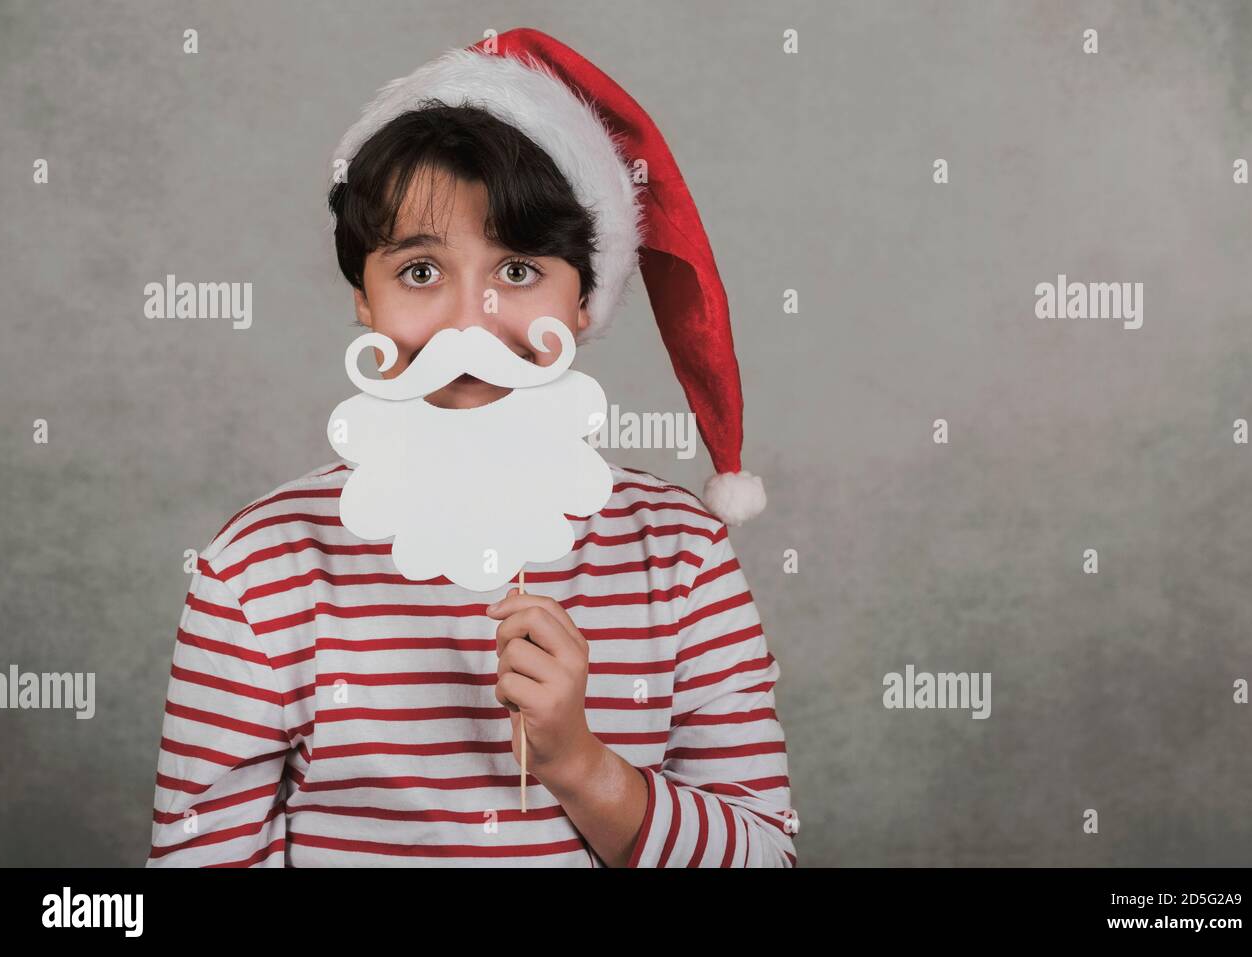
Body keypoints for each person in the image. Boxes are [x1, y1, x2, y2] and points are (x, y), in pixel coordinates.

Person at [145, 27, 795, 867]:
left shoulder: (682, 560)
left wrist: (582, 766)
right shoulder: (258, 570)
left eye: (519, 270)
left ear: (585, 300)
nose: (469, 321)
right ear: (364, 301)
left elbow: (764, 856)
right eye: (419, 271)